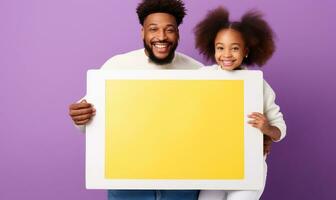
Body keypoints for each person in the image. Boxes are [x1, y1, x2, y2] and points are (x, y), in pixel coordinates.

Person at [69, 0, 203, 200]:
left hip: (182, 182)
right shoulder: (117, 66)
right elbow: (90, 121)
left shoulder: (198, 71)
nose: (161, 36)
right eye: (153, 29)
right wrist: (80, 116)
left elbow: (213, 122)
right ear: (143, 32)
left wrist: (254, 138)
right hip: (127, 182)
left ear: (178, 33)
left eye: (169, 30)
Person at [194, 7, 287, 200]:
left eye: (234, 48)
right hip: (213, 167)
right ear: (213, 48)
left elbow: (280, 130)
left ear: (245, 51)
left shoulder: (258, 84)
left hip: (249, 168)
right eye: (220, 47)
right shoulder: (203, 76)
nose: (226, 54)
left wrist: (267, 129)